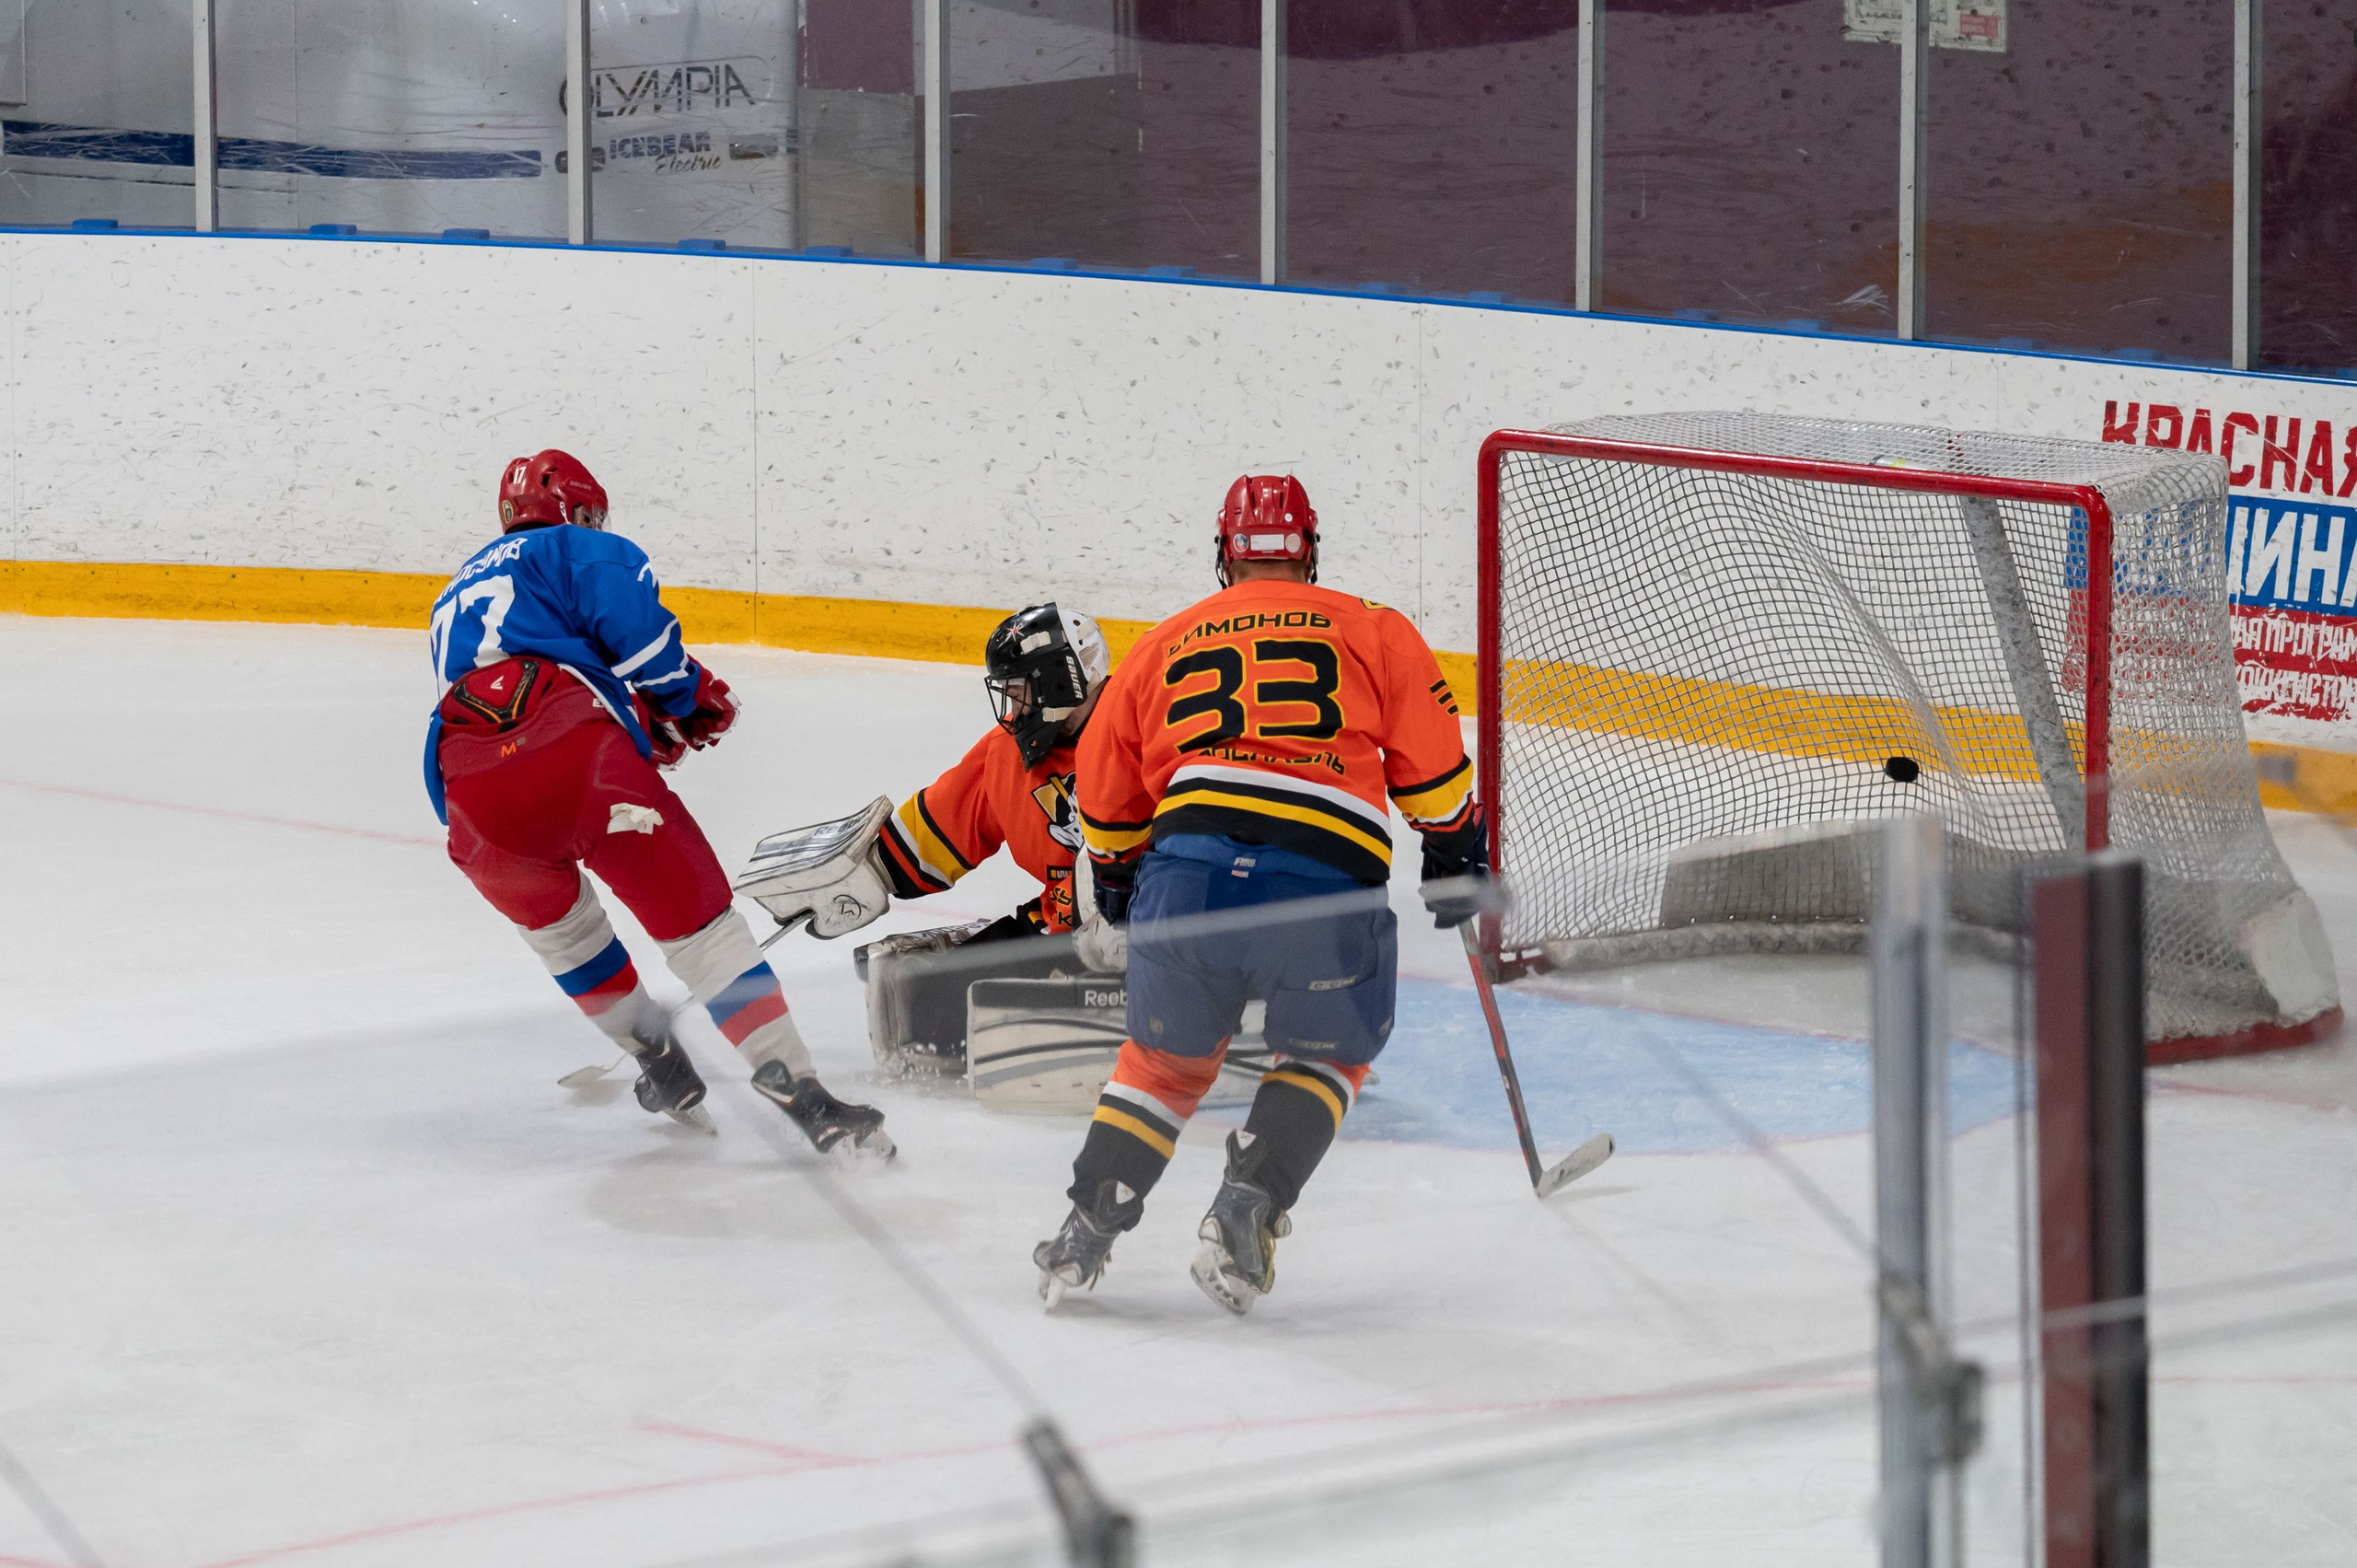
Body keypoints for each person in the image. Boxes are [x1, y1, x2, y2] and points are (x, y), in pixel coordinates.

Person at [1032, 474, 1489, 1313]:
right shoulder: (1371, 628)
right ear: (1309, 552)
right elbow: (1435, 773)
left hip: (1189, 874)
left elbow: (1104, 802)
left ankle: (1084, 1226)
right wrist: (1456, 846)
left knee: (1164, 1068)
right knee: (1325, 1054)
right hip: (1321, 883)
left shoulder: (1164, 642)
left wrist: (1129, 882)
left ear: (1223, 557)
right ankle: (1250, 1200)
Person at [425, 448, 891, 1158]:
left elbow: (503, 694)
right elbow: (638, 642)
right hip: (579, 758)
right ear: (577, 510)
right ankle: (802, 1090)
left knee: (565, 935)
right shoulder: (579, 546)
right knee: (702, 931)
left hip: (468, 792)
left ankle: (659, 1062)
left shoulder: (449, 597)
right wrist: (688, 697)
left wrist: (631, 725)